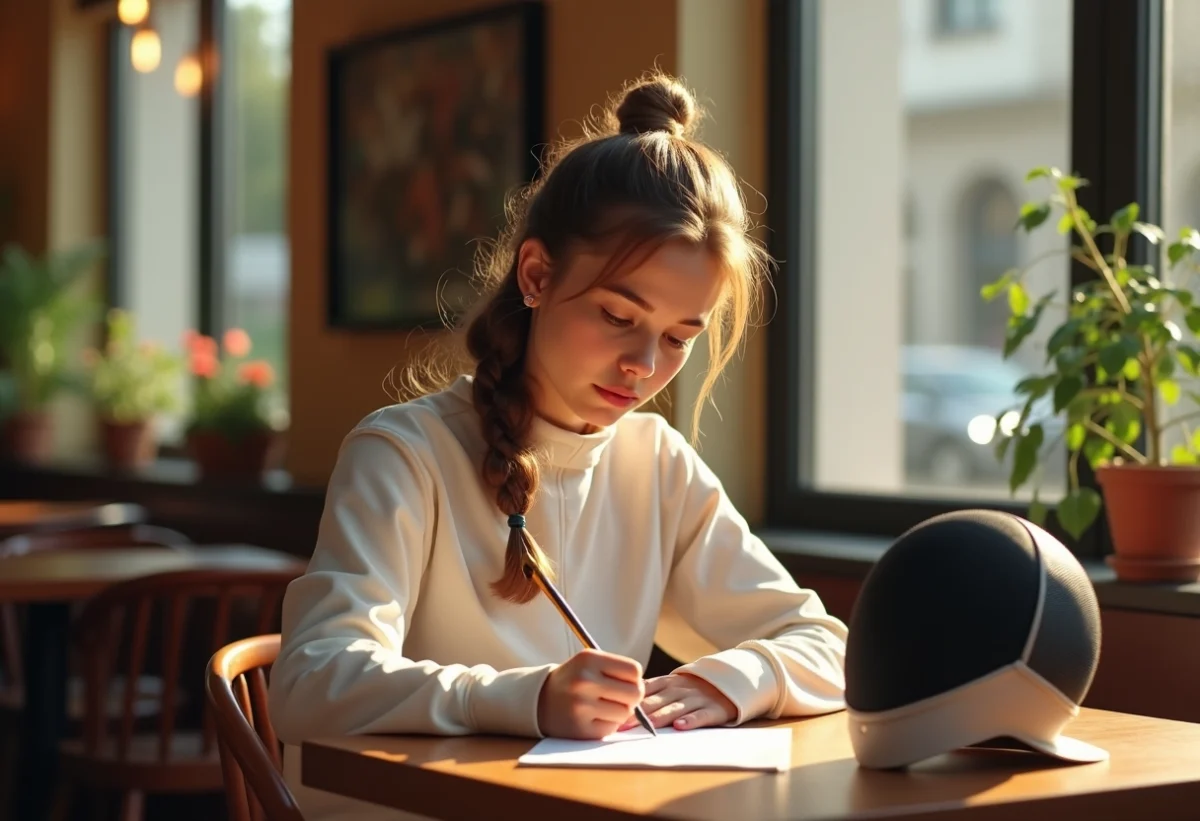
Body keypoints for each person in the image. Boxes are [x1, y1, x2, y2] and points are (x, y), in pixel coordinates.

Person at [268, 71, 849, 821]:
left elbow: (824, 644)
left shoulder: (656, 461)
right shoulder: (404, 453)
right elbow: (312, 682)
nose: (645, 366)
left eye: (679, 337)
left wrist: (735, 679)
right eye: (617, 315)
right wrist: (526, 697)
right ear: (537, 274)